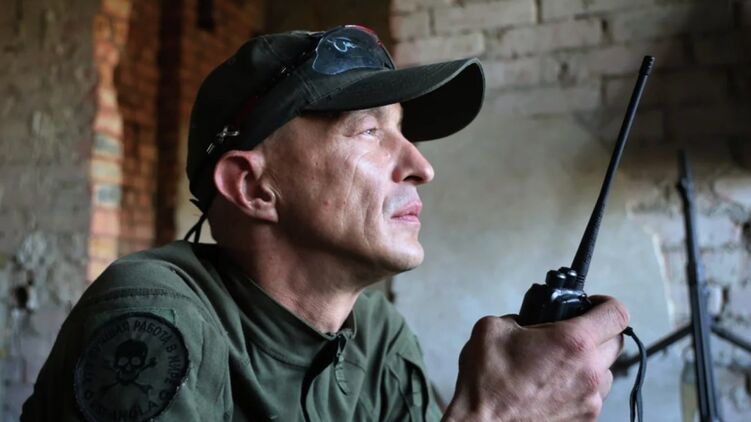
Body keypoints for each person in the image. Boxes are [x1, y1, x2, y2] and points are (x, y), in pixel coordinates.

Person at [22, 25, 628, 421]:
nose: (421, 167)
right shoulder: (155, 316)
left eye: (402, 132)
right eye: (368, 131)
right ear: (253, 187)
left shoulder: (380, 337)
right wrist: (494, 415)